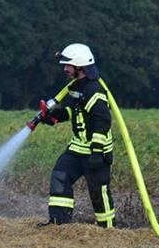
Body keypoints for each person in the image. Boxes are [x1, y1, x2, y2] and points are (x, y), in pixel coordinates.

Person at [36, 43, 115, 227]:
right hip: (77, 148)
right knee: (60, 177)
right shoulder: (76, 87)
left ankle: (108, 230)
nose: (65, 69)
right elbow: (75, 111)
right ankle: (59, 224)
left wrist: (97, 151)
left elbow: (102, 120)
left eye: (68, 65)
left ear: (79, 66)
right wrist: (55, 116)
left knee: (98, 192)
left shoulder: (94, 90)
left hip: (96, 151)